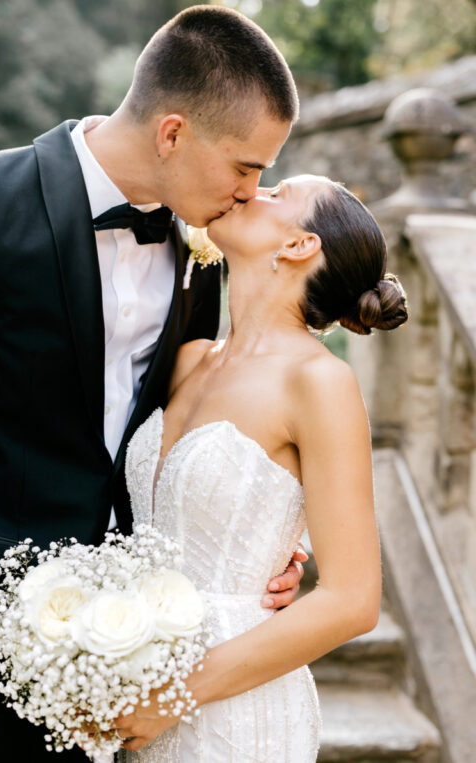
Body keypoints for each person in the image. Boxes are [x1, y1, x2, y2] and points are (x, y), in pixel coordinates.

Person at [0, 6, 305, 758]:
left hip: (148, 643)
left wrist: (274, 539)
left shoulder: (205, 244)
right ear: (173, 132)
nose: (252, 192)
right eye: (246, 167)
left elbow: (197, 423)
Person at [115, 175, 408, 760]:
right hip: (135, 677)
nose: (250, 190)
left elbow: (353, 601)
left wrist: (172, 696)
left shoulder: (320, 382)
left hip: (230, 706)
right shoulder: (188, 359)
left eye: (277, 192)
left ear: (299, 245)